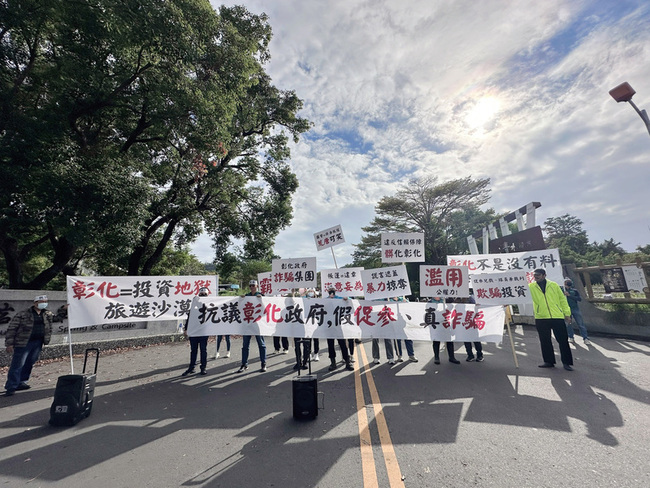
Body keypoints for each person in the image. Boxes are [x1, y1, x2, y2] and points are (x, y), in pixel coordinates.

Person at [4, 295, 67, 396]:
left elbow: (57, 318)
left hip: (38, 342)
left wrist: (63, 309)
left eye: (45, 301)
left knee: (30, 362)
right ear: (35, 303)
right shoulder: (23, 314)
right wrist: (9, 343)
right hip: (23, 342)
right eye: (41, 301)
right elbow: (12, 328)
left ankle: (22, 382)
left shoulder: (47, 314)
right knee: (18, 364)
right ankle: (11, 386)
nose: (44, 303)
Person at [529, 269, 574, 371]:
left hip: (557, 316)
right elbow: (521, 296)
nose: (536, 277)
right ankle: (549, 361)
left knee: (563, 340)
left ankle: (567, 363)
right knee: (545, 340)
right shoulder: (531, 287)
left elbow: (562, 299)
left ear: (544, 275)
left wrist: (567, 313)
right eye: (534, 275)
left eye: (538, 275)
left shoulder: (554, 285)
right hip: (541, 317)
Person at [238, 280, 267, 373]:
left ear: (257, 286)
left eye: (253, 285)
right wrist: (241, 299)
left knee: (261, 344)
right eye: (250, 285)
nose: (252, 287)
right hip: (248, 324)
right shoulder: (247, 296)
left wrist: (262, 299)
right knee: (245, 345)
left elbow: (267, 307)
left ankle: (263, 363)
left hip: (258, 324)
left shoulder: (261, 295)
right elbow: (240, 306)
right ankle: (244, 364)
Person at [182, 287, 210, 377]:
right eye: (201, 294)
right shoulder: (194, 305)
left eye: (204, 294)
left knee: (203, 350)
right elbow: (189, 318)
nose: (202, 296)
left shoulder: (210, 305)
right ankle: (192, 367)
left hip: (203, 332)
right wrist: (186, 329)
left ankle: (203, 368)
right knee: (193, 350)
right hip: (194, 331)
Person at [325, 288, 354, 371]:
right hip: (329, 326)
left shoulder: (339, 298)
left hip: (339, 326)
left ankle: (347, 361)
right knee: (330, 345)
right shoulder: (326, 300)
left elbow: (351, 302)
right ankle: (333, 362)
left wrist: (347, 299)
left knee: (342, 344)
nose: (331, 293)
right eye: (330, 291)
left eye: (332, 291)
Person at [430, 297, 460, 365]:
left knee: (449, 341)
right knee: (436, 341)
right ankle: (436, 357)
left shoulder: (447, 299)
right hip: (437, 325)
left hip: (447, 324)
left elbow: (453, 307)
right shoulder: (431, 302)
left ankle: (451, 357)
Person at [564, 279, 591, 345]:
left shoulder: (574, 291)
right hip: (567, 309)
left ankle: (585, 338)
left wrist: (569, 295)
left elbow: (579, 299)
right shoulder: (562, 291)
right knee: (568, 324)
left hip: (575, 309)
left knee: (580, 324)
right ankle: (571, 337)